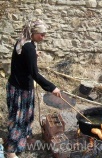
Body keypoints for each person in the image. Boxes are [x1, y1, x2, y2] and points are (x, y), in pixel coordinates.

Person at [5, 20, 61, 158]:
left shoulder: (24, 42)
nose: (44, 37)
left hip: (22, 87)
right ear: (33, 33)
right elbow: (35, 74)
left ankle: (27, 138)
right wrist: (52, 88)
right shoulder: (28, 47)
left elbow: (22, 60)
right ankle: (11, 151)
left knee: (28, 115)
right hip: (19, 89)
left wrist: (33, 56)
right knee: (17, 119)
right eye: (41, 34)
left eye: (45, 34)